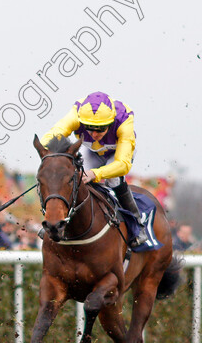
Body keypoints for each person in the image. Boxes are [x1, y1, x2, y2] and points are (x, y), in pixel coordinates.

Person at [41, 91, 147, 247]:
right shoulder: (76, 114)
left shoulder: (124, 120)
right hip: (91, 151)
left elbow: (123, 164)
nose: (94, 134)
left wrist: (96, 173)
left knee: (113, 180)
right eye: (89, 129)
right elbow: (48, 138)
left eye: (100, 129)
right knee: (75, 178)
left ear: (110, 123)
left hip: (117, 152)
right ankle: (57, 221)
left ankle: (137, 225)